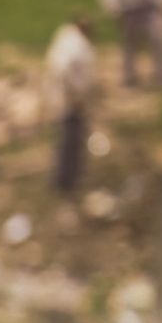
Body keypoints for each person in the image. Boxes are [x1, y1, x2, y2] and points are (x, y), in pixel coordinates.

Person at [44, 17, 97, 192]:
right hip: (70, 100)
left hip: (65, 97)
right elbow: (64, 70)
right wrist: (75, 94)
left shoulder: (66, 39)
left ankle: (68, 178)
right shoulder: (75, 45)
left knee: (70, 139)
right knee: (69, 141)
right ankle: (65, 181)